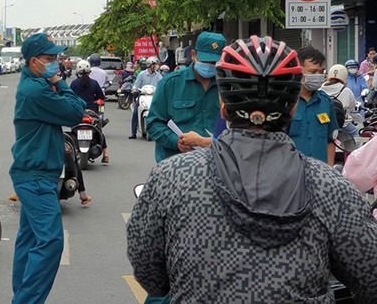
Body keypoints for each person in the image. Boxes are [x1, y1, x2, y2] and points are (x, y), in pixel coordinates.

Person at [127, 36, 377, 302]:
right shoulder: (331, 188)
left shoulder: (171, 178)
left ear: (223, 106)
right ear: (292, 107)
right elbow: (369, 278)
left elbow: (151, 276)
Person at [10, 33, 85, 304]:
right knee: (52, 242)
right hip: (36, 175)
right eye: (49, 58)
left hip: (36, 172)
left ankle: (21, 296)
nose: (56, 62)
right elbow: (76, 111)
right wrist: (59, 82)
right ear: (33, 61)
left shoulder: (35, 84)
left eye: (56, 57)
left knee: (29, 242)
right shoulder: (37, 90)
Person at [146, 31, 225, 162]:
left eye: (215, 62)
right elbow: (153, 123)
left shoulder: (228, 88)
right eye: (206, 61)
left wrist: (202, 141)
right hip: (175, 164)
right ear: (193, 55)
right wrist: (176, 141)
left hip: (217, 165)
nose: (210, 66)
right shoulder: (169, 84)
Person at [289, 47, 338, 166]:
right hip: (292, 175)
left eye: (321, 72)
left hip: (320, 176)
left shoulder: (325, 102)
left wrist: (330, 172)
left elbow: (331, 140)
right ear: (298, 72)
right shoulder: (286, 102)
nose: (318, 76)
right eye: (313, 72)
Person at [69, 59, 108, 164]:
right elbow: (101, 98)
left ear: (77, 71)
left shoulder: (73, 83)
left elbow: (68, 97)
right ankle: (106, 154)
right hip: (92, 113)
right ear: (89, 71)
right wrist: (98, 102)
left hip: (77, 113)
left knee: (72, 130)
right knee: (99, 131)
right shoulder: (94, 83)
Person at [321, 64, 358, 138]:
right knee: (355, 133)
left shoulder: (320, 90)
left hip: (323, 122)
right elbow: (352, 106)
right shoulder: (346, 91)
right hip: (343, 124)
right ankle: (354, 150)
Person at [129, 56, 161, 140]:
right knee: (135, 112)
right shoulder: (141, 74)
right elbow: (136, 85)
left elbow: (162, 84)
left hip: (154, 97)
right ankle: (133, 133)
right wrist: (134, 89)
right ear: (149, 65)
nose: (155, 66)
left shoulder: (158, 75)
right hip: (143, 95)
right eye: (154, 64)